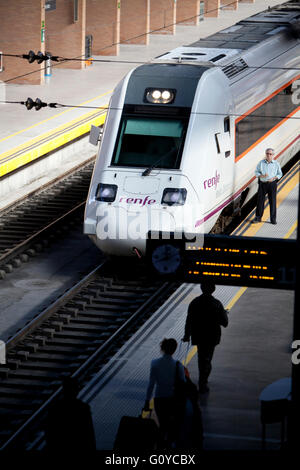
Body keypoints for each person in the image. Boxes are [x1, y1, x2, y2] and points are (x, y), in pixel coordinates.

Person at [182, 282, 228, 393]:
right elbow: (225, 323)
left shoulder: (194, 302)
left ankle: (203, 380)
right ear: (214, 290)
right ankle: (203, 381)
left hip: (199, 336)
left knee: (201, 358)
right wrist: (223, 314)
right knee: (207, 358)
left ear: (201, 288)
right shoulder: (217, 304)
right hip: (212, 336)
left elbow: (189, 320)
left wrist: (187, 335)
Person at [143, 338, 185, 447]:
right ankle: (169, 444)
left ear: (162, 348)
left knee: (162, 422)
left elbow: (151, 384)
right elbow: (183, 383)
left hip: (159, 398)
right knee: (171, 423)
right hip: (173, 398)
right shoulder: (178, 365)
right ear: (174, 350)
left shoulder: (155, 363)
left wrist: (147, 401)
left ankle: (161, 444)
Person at [45, 376, 96, 453]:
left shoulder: (55, 408)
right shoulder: (83, 408)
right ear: (76, 390)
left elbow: (50, 433)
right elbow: (88, 433)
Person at [253, 148, 282, 224]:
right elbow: (256, 172)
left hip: (272, 184)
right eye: (267, 154)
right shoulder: (261, 163)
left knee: (272, 201)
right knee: (260, 201)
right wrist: (261, 175)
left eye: (270, 154)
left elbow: (280, 174)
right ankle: (258, 217)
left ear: (273, 155)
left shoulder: (276, 164)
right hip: (262, 184)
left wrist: (274, 178)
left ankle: (273, 219)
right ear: (265, 154)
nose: (268, 155)